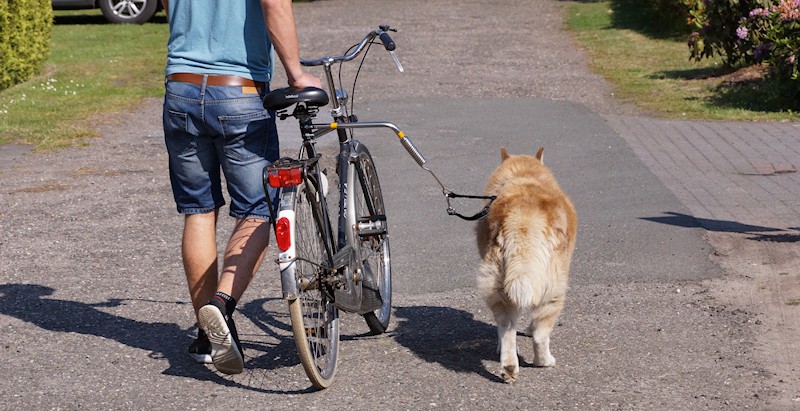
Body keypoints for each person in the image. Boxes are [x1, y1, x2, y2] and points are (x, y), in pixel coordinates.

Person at [161, 0, 321, 375]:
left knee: (199, 211)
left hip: (180, 87)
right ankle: (221, 305)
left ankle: (206, 335)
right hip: (239, 91)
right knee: (259, 210)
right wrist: (296, 73)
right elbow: (274, 3)